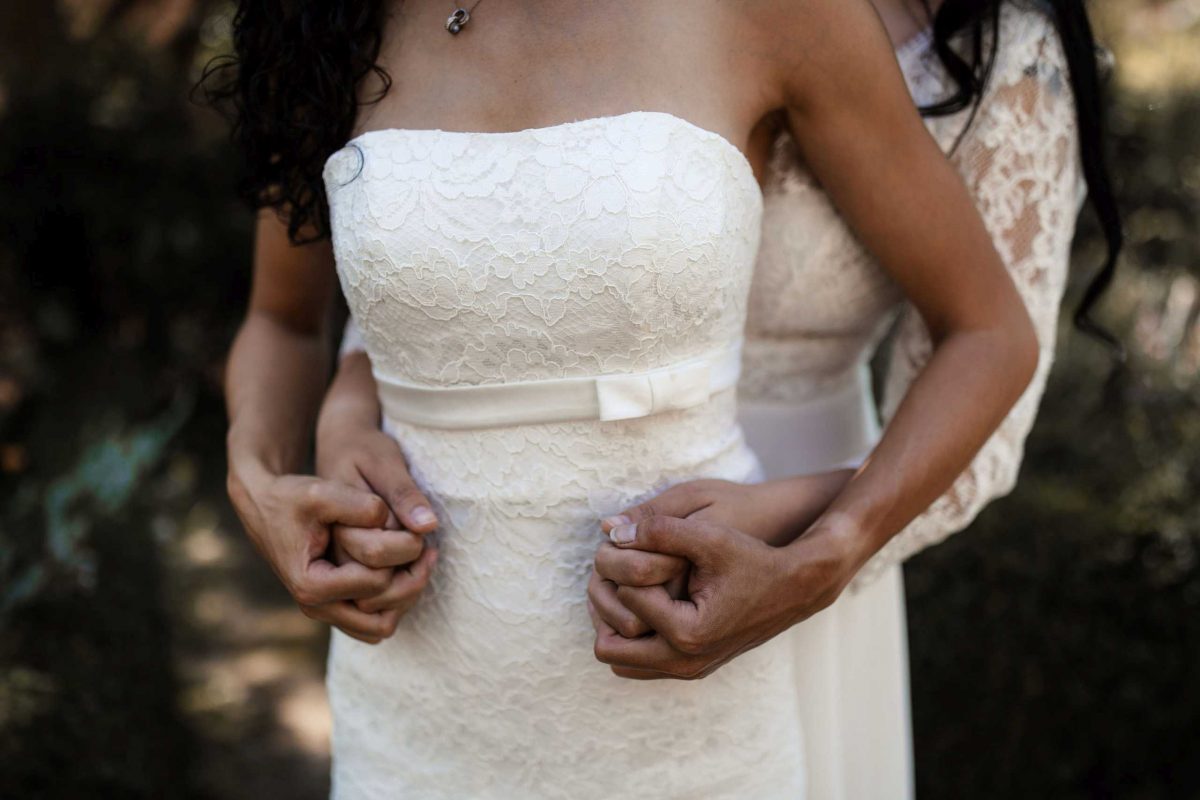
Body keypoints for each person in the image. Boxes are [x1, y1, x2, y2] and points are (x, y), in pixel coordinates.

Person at [214, 0, 1050, 796]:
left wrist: (828, 552)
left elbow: (989, 332)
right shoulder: (327, 18)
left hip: (686, 707)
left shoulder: (783, 13)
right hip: (408, 705)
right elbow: (283, 321)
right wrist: (258, 483)